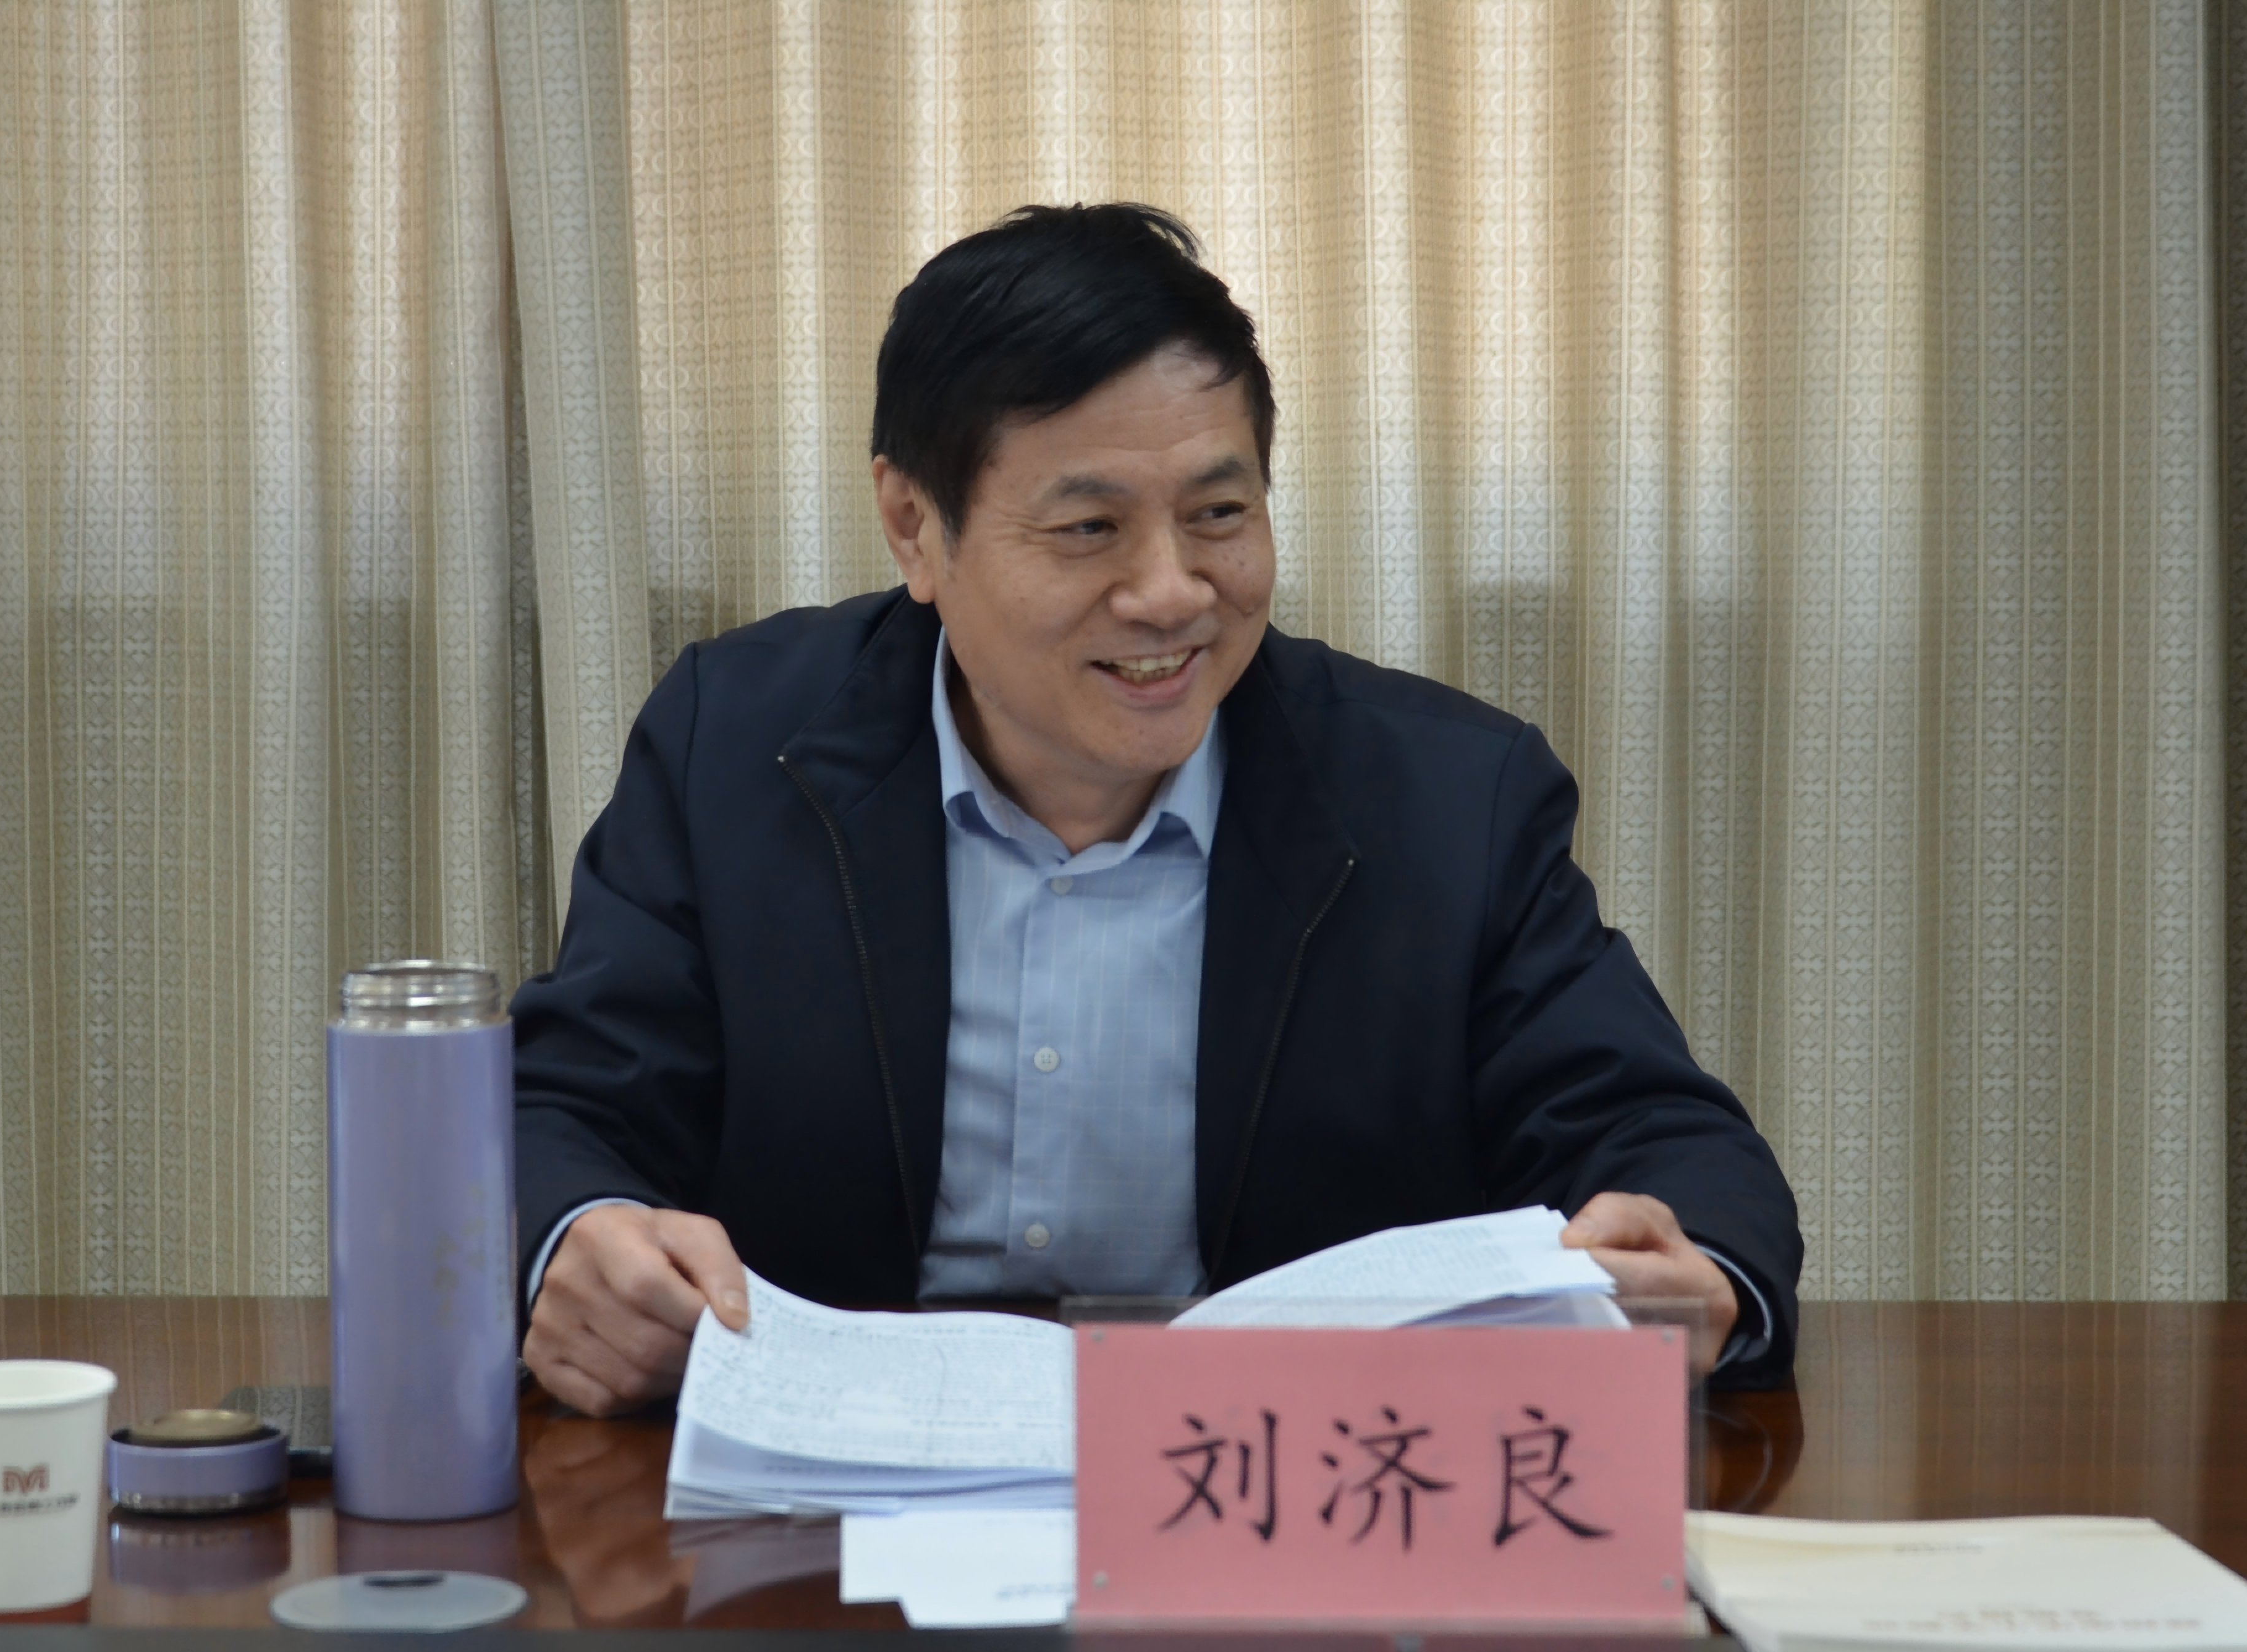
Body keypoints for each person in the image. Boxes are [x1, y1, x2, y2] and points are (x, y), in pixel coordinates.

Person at [512, 203, 1801, 1418]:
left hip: (1272, 1482)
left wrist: (1689, 1271)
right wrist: (575, 1240)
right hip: (830, 1480)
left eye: (1218, 515)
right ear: (914, 526)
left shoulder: (1447, 798)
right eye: (1090, 528)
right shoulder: (734, 747)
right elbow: (561, 1112)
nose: (1173, 592)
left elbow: (1666, 1140)